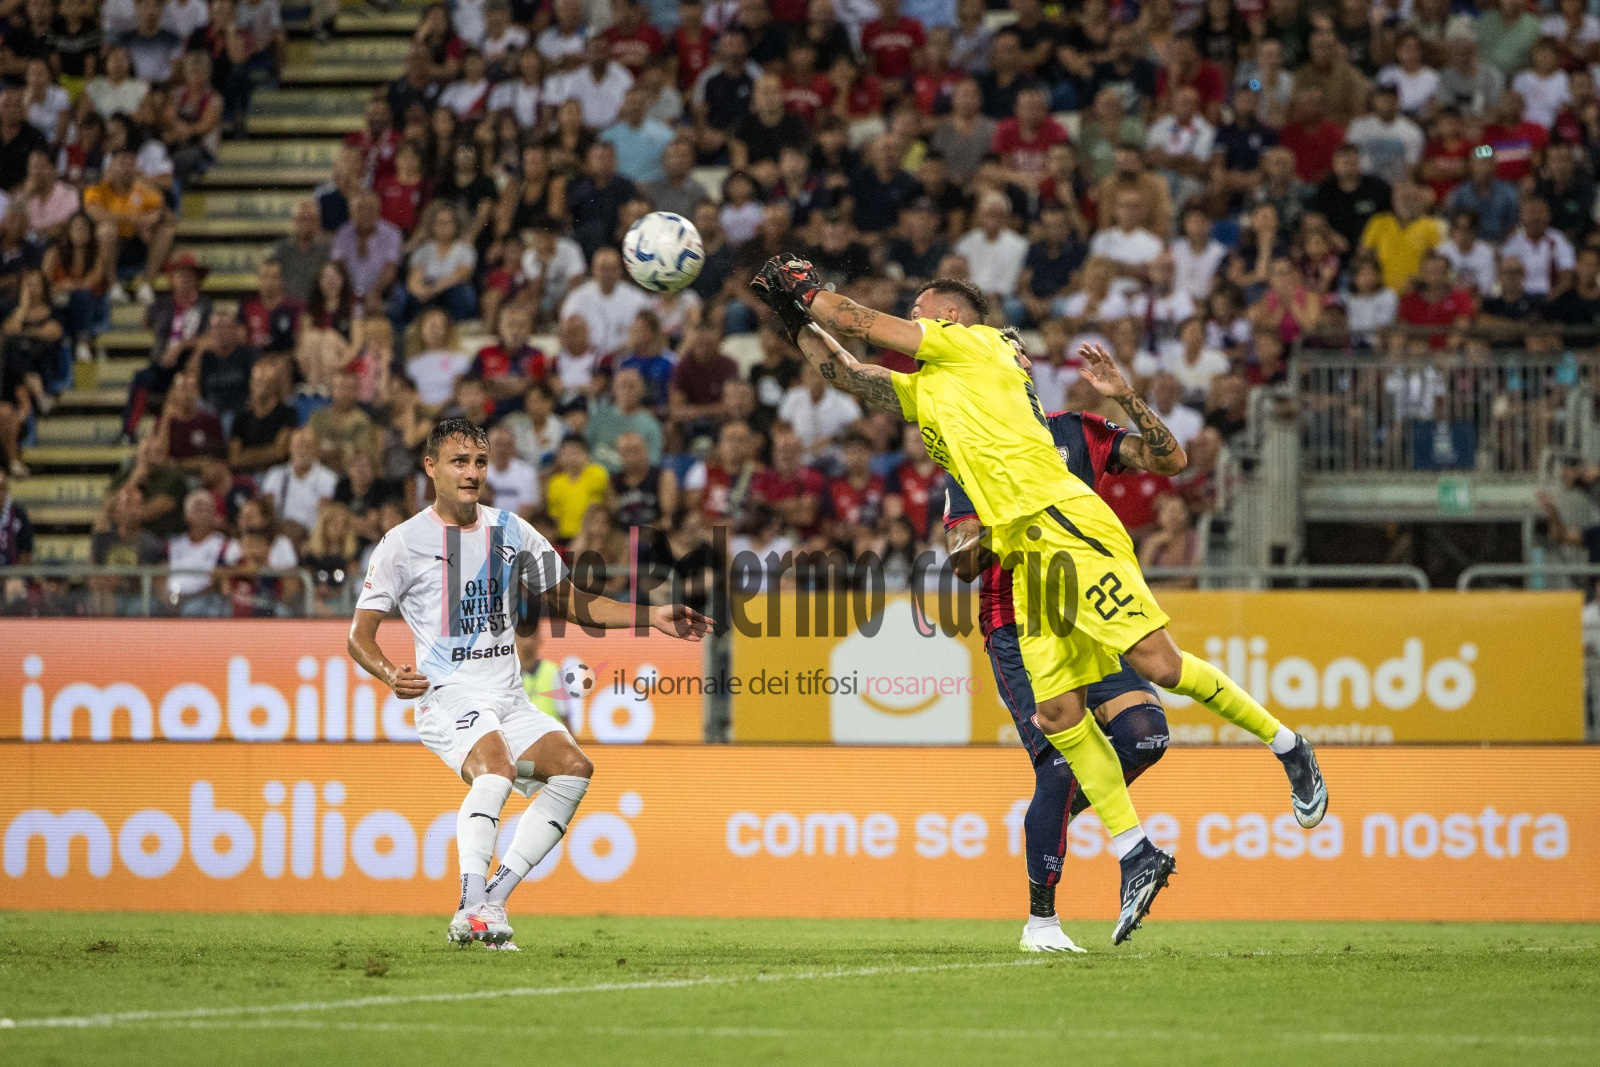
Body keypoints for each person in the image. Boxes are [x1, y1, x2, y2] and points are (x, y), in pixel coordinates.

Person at [752, 260, 1327, 942]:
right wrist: (790, 314)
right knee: (1059, 717)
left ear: (954, 318)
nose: (915, 317)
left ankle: (1289, 745)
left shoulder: (976, 345)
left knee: (1160, 665)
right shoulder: (933, 389)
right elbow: (846, 370)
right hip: (1025, 558)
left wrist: (805, 285)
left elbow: (855, 320)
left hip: (1061, 523)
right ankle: (1136, 852)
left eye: (923, 308)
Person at [347, 418, 712, 946]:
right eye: (458, 462)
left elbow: (572, 602)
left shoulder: (511, 531)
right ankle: (472, 905)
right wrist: (389, 673)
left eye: (479, 462)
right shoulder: (403, 543)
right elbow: (359, 636)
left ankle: (490, 901)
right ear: (430, 467)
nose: (472, 473)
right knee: (494, 769)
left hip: (507, 696)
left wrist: (651, 617)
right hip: (447, 695)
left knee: (573, 770)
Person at [944, 344, 1185, 952]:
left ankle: (1054, 818)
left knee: (1146, 734)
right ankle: (1042, 922)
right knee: (1058, 763)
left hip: (1090, 612)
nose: (1015, 368)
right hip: (1019, 625)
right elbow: (964, 564)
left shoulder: (1076, 432)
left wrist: (1127, 397)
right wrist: (1009, 523)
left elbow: (1171, 461)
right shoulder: (968, 454)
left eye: (1019, 360)